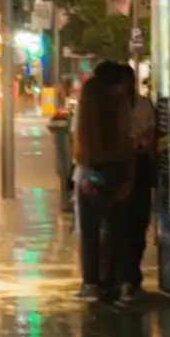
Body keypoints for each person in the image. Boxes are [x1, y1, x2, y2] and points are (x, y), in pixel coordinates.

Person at [71, 64, 136, 303]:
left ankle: (91, 283)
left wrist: (85, 174)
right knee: (119, 229)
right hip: (116, 169)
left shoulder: (86, 108)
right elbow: (127, 140)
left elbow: (77, 145)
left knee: (89, 230)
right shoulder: (119, 102)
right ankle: (121, 283)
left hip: (91, 170)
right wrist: (129, 177)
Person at [118, 67, 157, 298]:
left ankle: (132, 275)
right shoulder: (112, 108)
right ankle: (123, 276)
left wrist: (141, 143)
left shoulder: (143, 105)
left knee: (137, 223)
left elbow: (151, 135)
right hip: (121, 165)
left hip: (139, 164)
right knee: (121, 224)